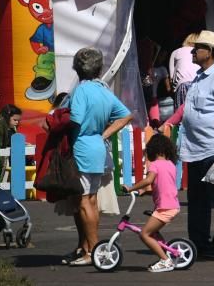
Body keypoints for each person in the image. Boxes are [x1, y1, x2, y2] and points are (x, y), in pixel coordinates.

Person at [62, 48, 133, 266]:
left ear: (76, 67)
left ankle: (92, 250)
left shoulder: (81, 91)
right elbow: (126, 115)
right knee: (90, 199)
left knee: (84, 201)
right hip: (97, 147)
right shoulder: (103, 89)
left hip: (82, 146)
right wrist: (104, 134)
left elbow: (74, 120)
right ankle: (88, 247)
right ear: (99, 68)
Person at [169, 30, 214, 259]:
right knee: (197, 200)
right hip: (195, 147)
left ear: (211, 52)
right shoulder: (199, 75)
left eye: (198, 48)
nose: (193, 52)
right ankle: (199, 243)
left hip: (213, 147)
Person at [122, 134, 180, 273]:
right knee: (153, 233)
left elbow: (149, 181)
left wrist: (131, 188)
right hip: (172, 205)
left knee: (145, 234)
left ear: (152, 150)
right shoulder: (171, 165)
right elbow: (164, 186)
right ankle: (166, 255)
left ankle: (165, 261)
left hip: (165, 208)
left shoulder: (154, 165)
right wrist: (145, 192)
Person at [168, 34, 199, 107]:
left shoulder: (175, 52)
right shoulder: (199, 53)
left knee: (183, 114)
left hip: (183, 86)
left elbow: (171, 78)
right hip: (199, 85)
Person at [0, 104, 22, 181]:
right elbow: (1, 144)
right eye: (15, 120)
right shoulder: (0, 125)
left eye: (18, 120)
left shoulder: (10, 128)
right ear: (7, 117)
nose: (17, 122)